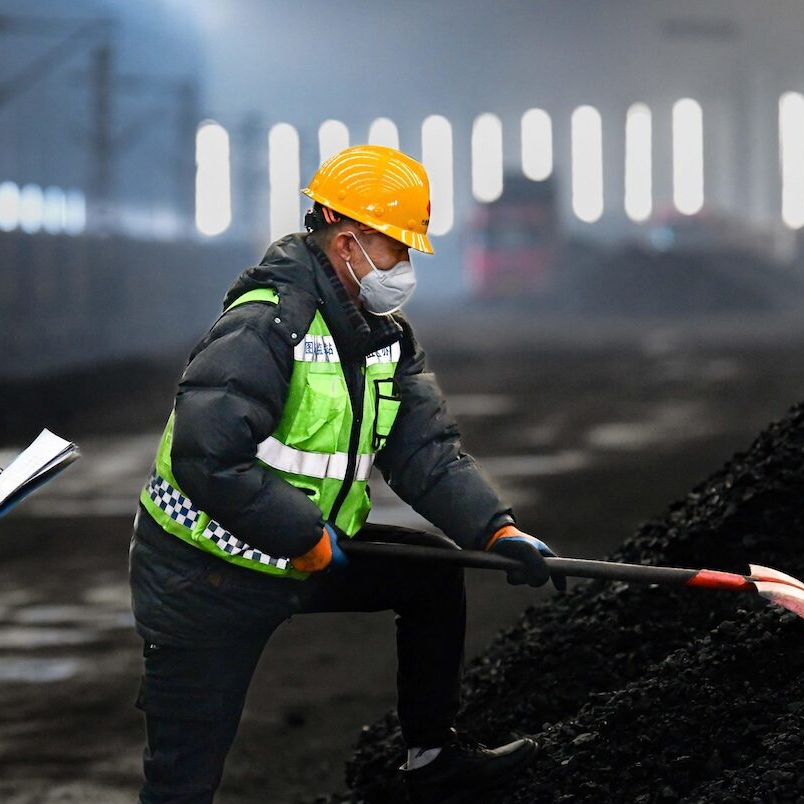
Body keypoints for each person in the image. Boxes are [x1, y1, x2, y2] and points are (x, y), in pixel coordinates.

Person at [129, 145, 562, 804]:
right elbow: (205, 456)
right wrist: (302, 533)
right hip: (204, 573)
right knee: (183, 780)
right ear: (348, 239)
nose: (405, 267)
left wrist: (495, 532)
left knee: (434, 574)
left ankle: (433, 759)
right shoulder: (265, 323)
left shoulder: (380, 334)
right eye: (397, 248)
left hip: (303, 551)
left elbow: (426, 452)